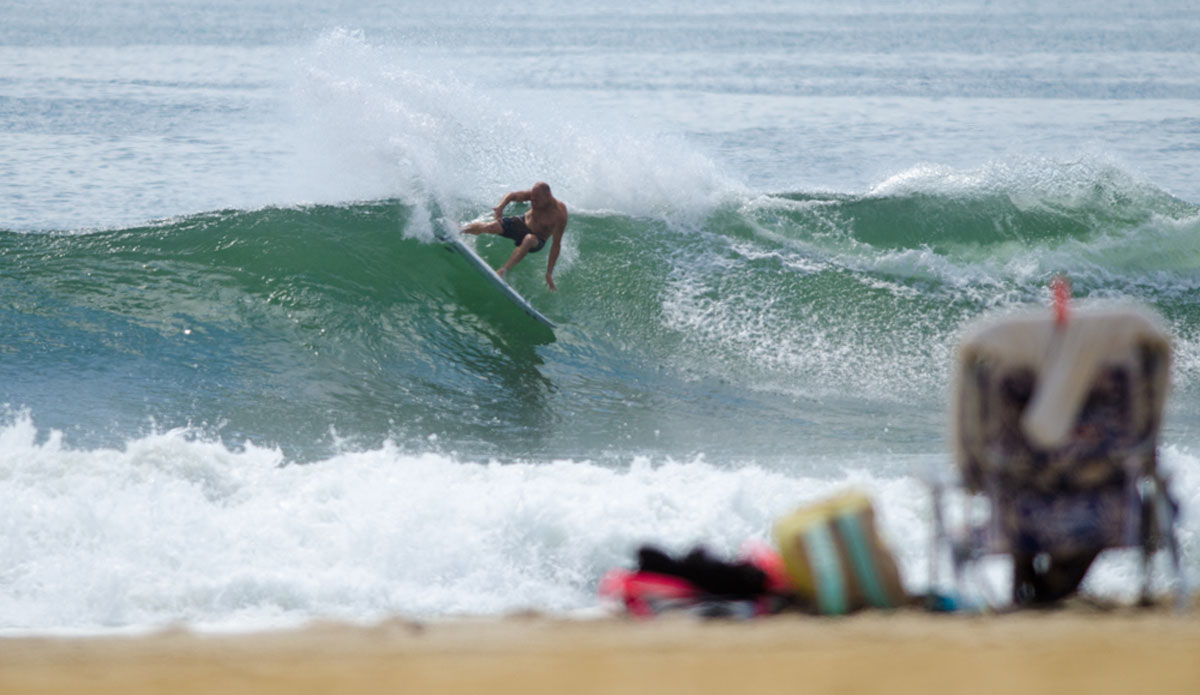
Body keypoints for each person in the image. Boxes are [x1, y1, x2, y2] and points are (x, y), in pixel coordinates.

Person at [461, 181, 567, 290]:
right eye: (532, 199)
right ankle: (460, 230)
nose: (533, 202)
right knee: (491, 226)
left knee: (529, 239)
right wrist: (500, 207)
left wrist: (549, 272)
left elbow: (556, 244)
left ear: (547, 196)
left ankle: (503, 271)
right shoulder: (535, 195)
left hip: (537, 240)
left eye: (536, 200)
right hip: (522, 223)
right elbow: (513, 195)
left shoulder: (559, 214)